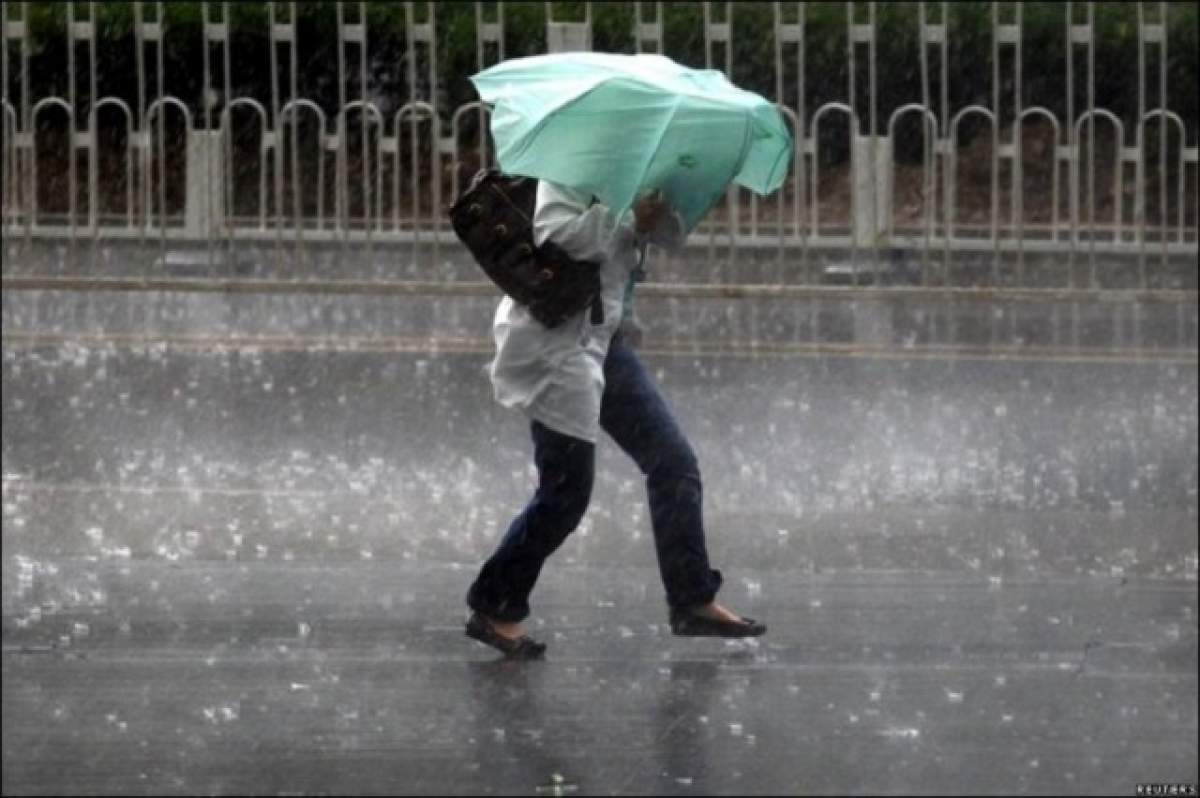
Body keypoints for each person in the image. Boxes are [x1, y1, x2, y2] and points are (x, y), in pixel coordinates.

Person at [464, 179, 766, 659]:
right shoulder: (569, 164)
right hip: (556, 343)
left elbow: (664, 237)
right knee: (565, 493)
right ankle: (495, 604)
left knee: (673, 463)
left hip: (605, 342)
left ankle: (692, 599)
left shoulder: (636, 166)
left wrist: (657, 213)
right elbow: (555, 232)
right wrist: (626, 219)